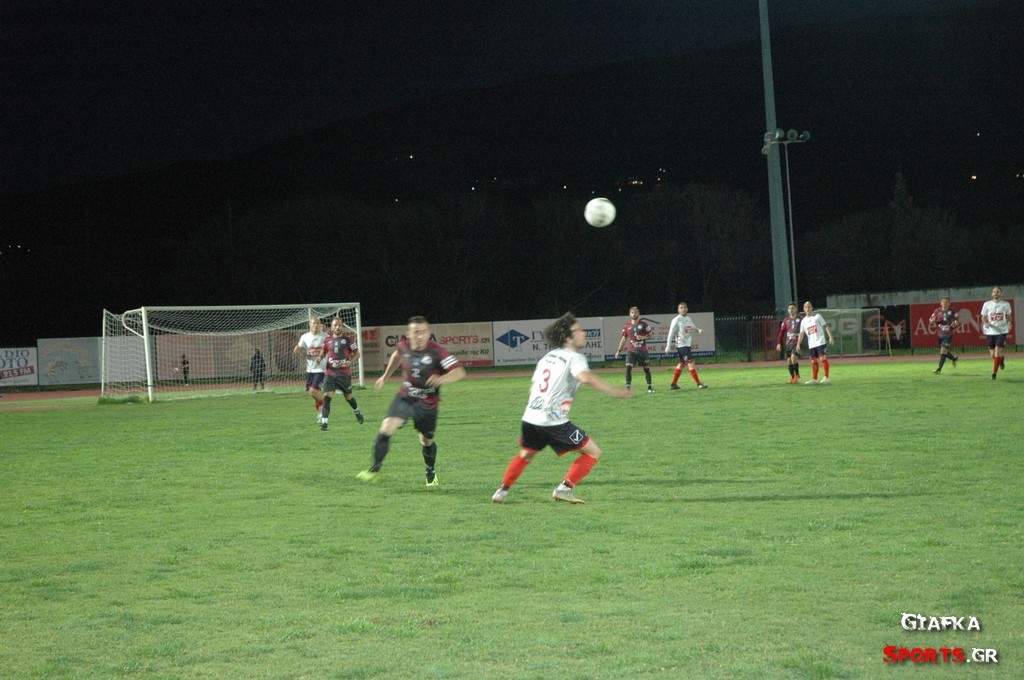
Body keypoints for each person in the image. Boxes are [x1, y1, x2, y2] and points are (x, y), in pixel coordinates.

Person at [492, 313, 632, 505]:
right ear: (567, 338)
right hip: (554, 422)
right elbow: (585, 377)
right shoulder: (575, 357)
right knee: (593, 452)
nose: (584, 333)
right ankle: (564, 489)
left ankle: (502, 491)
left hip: (530, 418)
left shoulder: (547, 357)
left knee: (526, 454)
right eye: (578, 331)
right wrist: (614, 391)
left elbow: (533, 388)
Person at [357, 316, 466, 486]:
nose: (420, 336)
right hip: (406, 397)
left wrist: (441, 379)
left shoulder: (438, 352)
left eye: (423, 332)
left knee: (426, 440)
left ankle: (430, 470)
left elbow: (459, 372)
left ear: (428, 333)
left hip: (428, 403)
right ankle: (374, 469)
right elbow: (397, 355)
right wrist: (386, 376)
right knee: (386, 428)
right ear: (408, 333)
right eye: (416, 332)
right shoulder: (403, 345)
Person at [316, 316, 364, 430]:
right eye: (335, 325)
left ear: (342, 326)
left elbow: (357, 354)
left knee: (349, 397)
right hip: (330, 373)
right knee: (327, 397)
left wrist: (349, 362)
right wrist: (319, 357)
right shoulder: (327, 340)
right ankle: (324, 423)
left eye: (339, 325)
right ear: (332, 327)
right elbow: (324, 350)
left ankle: (357, 411)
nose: (337, 327)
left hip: (344, 375)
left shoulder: (348, 340)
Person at [665, 301, 708, 389]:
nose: (683, 309)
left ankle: (673, 384)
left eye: (685, 307)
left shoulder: (688, 318)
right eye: (681, 308)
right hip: (681, 346)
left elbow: (693, 327)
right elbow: (670, 333)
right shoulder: (676, 320)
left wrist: (698, 330)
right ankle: (699, 384)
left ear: (687, 309)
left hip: (687, 345)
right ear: (678, 310)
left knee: (681, 364)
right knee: (691, 362)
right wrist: (668, 346)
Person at [293, 317, 329, 422]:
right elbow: (299, 346)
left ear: (320, 325)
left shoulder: (326, 337)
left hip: (321, 369)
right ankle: (321, 413)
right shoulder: (305, 337)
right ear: (310, 325)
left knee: (313, 391)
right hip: (310, 369)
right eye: (314, 323)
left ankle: (326, 406)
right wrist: (297, 349)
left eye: (317, 323)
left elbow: (331, 350)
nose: (316, 325)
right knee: (314, 393)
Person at [614, 306, 654, 392]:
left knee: (646, 369)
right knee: (628, 367)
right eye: (632, 312)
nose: (634, 314)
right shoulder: (626, 326)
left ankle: (650, 387)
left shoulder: (644, 324)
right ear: (629, 314)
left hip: (642, 350)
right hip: (631, 350)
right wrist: (618, 350)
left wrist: (642, 337)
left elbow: (651, 335)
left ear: (638, 313)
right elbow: (623, 339)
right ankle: (628, 387)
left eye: (635, 312)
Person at [796, 301, 835, 384]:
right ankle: (815, 379)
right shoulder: (803, 321)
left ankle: (826, 377)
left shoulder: (817, 316)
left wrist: (830, 336)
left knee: (822, 358)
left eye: (809, 307)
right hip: (811, 344)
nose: (807, 309)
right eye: (806, 307)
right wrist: (798, 344)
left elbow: (826, 326)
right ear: (804, 309)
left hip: (820, 341)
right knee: (814, 361)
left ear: (812, 308)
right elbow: (802, 333)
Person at [980, 286, 1012, 380]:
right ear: (992, 293)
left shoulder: (1006, 304)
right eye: (994, 291)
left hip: (1002, 331)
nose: (995, 293)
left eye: (997, 291)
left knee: (997, 351)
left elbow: (1009, 316)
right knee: (992, 355)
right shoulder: (987, 304)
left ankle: (994, 374)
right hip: (990, 331)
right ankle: (1000, 359)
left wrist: (1010, 323)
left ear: (1000, 293)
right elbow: (983, 317)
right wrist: (985, 323)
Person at [928, 296, 960, 374]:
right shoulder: (936, 311)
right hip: (940, 334)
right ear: (941, 303)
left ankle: (939, 369)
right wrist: (932, 321)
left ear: (949, 303)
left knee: (943, 350)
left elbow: (958, 320)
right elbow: (931, 320)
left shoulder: (952, 311)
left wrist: (954, 323)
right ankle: (954, 358)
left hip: (949, 333)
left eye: (946, 302)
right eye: (943, 302)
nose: (945, 303)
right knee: (943, 351)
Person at [775, 302, 802, 383]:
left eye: (792, 308)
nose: (791, 310)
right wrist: (779, 343)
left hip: (796, 342)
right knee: (789, 361)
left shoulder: (800, 319)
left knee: (793, 358)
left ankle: (797, 375)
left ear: (796, 309)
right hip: (788, 343)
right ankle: (792, 376)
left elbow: (804, 330)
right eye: (789, 308)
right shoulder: (786, 320)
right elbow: (781, 332)